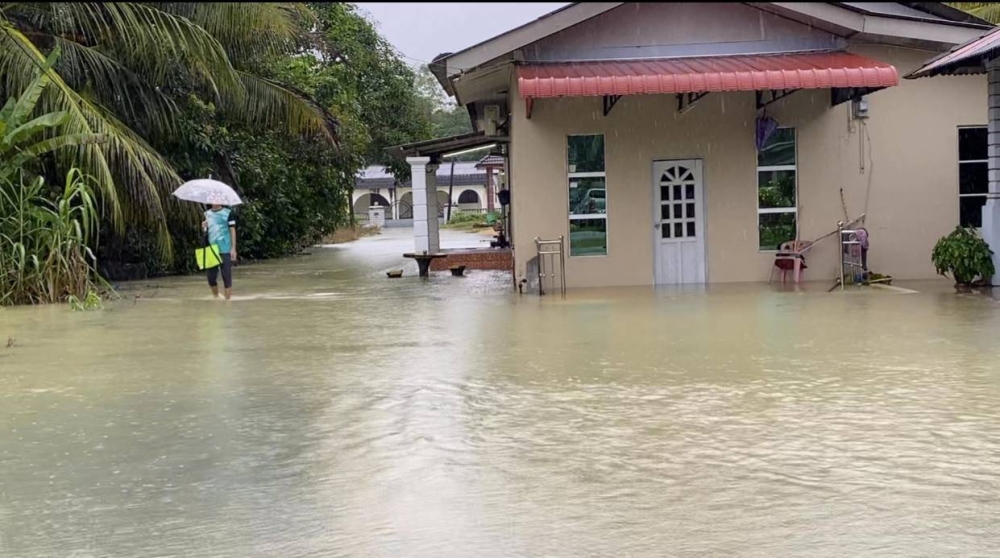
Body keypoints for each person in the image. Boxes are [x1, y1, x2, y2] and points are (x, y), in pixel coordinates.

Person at [203, 203, 237, 300]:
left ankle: (227, 300)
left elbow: (232, 230)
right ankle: (216, 296)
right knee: (210, 277)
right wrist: (204, 227)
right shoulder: (206, 214)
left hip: (225, 247)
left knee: (226, 275)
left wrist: (233, 248)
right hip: (211, 248)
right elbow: (206, 232)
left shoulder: (228, 213)